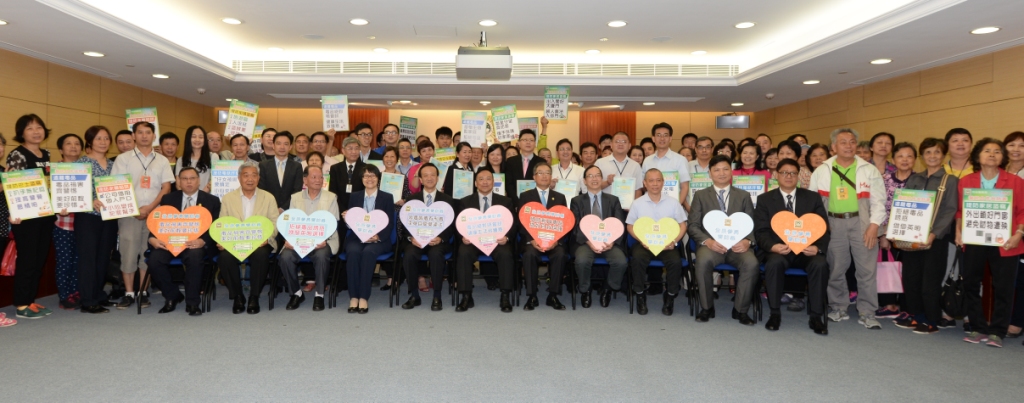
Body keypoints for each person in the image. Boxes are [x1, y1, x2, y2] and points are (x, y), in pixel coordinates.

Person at [808, 128, 886, 329]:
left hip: (862, 223)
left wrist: (874, 226)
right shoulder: (822, 170)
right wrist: (821, 228)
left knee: (866, 270)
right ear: (833, 147)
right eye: (843, 142)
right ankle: (838, 306)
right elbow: (813, 202)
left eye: (852, 142)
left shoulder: (868, 169)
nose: (849, 146)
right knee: (835, 267)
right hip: (833, 225)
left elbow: (879, 201)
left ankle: (868, 312)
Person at [956, 138, 1024, 347]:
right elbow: (960, 211)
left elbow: (1022, 212)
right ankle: (977, 327)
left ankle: (997, 331)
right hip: (974, 239)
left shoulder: (1015, 182)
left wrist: (1019, 234)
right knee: (971, 283)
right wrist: (958, 231)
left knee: (1003, 287)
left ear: (1002, 157)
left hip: (1006, 242)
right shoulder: (966, 181)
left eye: (997, 151)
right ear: (978, 156)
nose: (992, 154)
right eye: (987, 151)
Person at [889, 138, 958, 335]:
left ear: (943, 156)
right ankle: (916, 316)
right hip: (912, 236)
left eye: (937, 152)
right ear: (922, 156)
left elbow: (950, 210)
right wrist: (897, 231)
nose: (932, 156)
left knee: (930, 280)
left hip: (935, 239)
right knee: (911, 278)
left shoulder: (950, 180)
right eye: (928, 152)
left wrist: (934, 234)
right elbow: (903, 204)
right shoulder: (915, 178)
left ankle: (932, 319)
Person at [756, 158, 830, 334]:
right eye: (784, 173)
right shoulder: (765, 199)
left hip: (806, 250)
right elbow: (761, 231)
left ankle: (816, 317)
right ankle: (775, 313)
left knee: (820, 264)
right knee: (774, 263)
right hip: (778, 251)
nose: (788, 176)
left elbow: (823, 229)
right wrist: (772, 246)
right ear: (777, 175)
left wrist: (817, 248)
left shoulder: (812, 198)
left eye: (793, 173)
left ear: (798, 175)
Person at [110, 121, 174, 310]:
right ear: (134, 136)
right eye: (140, 132)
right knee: (128, 254)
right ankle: (129, 293)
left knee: (147, 255)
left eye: (148, 132)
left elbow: (166, 187)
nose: (144, 136)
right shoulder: (123, 159)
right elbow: (118, 186)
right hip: (129, 214)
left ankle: (143, 291)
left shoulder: (162, 160)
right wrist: (135, 209)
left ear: (154, 136)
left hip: (154, 215)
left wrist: (150, 207)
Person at [689, 155, 759, 324]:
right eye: (717, 170)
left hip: (737, 246)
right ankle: (707, 308)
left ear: (731, 172)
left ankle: (740, 310)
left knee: (751, 263)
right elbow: (693, 225)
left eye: (725, 169)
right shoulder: (700, 195)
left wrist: (747, 241)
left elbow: (752, 224)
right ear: (710, 174)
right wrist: (708, 241)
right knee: (703, 260)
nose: (721, 173)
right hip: (712, 246)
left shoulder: (743, 195)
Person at [146, 167, 221, 316]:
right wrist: (152, 238)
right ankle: (172, 296)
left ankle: (192, 302)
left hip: (195, 244)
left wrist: (203, 241)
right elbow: (158, 221)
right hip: (170, 242)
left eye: (192, 178)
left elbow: (216, 226)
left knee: (194, 257)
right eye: (184, 179)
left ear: (199, 181)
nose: (188, 182)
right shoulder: (168, 199)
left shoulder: (211, 200)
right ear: (178, 181)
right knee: (154, 260)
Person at [7, 114, 58, 319]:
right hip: (26, 217)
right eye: (30, 128)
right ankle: (21, 304)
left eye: (39, 127)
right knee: (27, 260)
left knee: (39, 260)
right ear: (21, 133)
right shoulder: (17, 155)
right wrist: (15, 213)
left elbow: (48, 183)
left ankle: (30, 301)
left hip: (45, 214)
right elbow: (13, 186)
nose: (36, 131)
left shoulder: (45, 153)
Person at [217, 161, 279, 314]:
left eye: (254, 175)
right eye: (246, 175)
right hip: (235, 242)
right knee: (224, 257)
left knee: (260, 255)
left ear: (258, 178)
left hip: (261, 241)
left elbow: (275, 222)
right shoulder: (228, 198)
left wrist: (267, 238)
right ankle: (237, 295)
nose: (250, 179)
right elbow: (222, 223)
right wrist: (222, 241)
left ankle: (254, 296)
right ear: (239, 178)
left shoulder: (268, 197)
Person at [277, 165, 339, 312]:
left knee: (322, 255)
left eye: (320, 177)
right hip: (299, 241)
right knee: (285, 257)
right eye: (314, 177)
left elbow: (332, 223)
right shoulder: (295, 197)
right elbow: (290, 222)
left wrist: (323, 240)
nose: (318, 180)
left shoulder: (331, 197)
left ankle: (320, 294)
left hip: (323, 240)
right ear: (305, 180)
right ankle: (296, 293)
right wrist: (289, 239)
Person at [626, 169, 687, 316]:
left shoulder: (673, 203)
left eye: (658, 180)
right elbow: (630, 225)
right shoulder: (637, 203)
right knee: (637, 260)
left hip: (667, 245)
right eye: (651, 180)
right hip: (644, 244)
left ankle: (670, 296)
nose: (655, 184)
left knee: (675, 262)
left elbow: (683, 224)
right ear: (645, 183)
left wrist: (674, 242)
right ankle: (640, 295)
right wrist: (642, 240)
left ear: (663, 182)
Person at [455, 169, 516, 312]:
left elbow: (513, 224)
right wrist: (463, 237)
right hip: (473, 241)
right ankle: (466, 296)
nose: (485, 182)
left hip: (497, 241)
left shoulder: (505, 201)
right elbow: (458, 225)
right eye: (481, 179)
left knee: (506, 253)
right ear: (476, 183)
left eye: (488, 179)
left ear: (493, 182)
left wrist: (506, 237)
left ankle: (505, 295)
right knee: (463, 252)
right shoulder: (465, 201)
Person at [400, 163, 457, 311]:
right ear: (420, 179)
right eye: (425, 175)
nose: (429, 178)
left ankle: (437, 295)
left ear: (438, 178)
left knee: (436, 254)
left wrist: (441, 238)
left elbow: (452, 225)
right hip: (417, 240)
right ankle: (414, 295)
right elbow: (404, 224)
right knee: (409, 254)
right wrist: (411, 238)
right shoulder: (412, 200)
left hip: (437, 241)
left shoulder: (447, 199)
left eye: (433, 175)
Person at [570, 165, 628, 308]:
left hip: (609, 242)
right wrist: (589, 242)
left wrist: (612, 242)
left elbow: (619, 224)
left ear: (601, 179)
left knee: (620, 262)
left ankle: (607, 289)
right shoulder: (576, 201)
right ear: (584, 180)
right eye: (590, 176)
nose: (594, 179)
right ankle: (585, 290)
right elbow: (575, 226)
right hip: (586, 242)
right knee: (582, 260)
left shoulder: (613, 200)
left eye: (597, 175)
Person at [342, 164, 395, 314]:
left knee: (368, 253)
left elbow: (389, 222)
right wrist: (347, 219)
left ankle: (364, 297)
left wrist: (377, 236)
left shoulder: (387, 197)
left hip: (379, 239)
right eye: (366, 176)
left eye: (373, 175)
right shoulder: (354, 196)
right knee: (352, 252)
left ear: (378, 178)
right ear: (362, 179)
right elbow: (351, 224)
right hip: (357, 237)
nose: (369, 179)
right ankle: (353, 296)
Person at [76, 126, 117, 314]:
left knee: (103, 258)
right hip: (88, 218)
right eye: (99, 138)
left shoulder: (112, 164)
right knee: (88, 259)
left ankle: (98, 294)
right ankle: (87, 299)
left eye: (106, 138)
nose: (103, 142)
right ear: (90, 141)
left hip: (109, 217)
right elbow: (74, 191)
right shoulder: (81, 163)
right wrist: (89, 200)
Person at [518, 162, 568, 310]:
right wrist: (531, 240)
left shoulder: (559, 197)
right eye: (541, 173)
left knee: (560, 254)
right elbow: (521, 222)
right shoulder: (525, 196)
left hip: (553, 241)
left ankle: (553, 295)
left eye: (547, 173)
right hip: (533, 241)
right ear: (534, 177)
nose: (545, 176)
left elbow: (564, 222)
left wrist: (556, 241)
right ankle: (532, 296)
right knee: (529, 255)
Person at [877, 142, 917, 318]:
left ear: (915, 160)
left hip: (913, 232)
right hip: (888, 232)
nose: (905, 160)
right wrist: (883, 234)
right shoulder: (883, 180)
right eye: (900, 156)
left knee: (910, 270)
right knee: (887, 267)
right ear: (893, 159)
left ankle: (908, 306)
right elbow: (877, 207)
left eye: (909, 156)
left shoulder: (920, 180)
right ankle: (889, 304)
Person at [53, 133, 84, 310]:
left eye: (77, 143)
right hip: (62, 224)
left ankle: (76, 292)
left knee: (78, 261)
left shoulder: (85, 169)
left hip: (82, 224)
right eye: (68, 143)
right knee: (65, 261)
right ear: (60, 149)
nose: (73, 146)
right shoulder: (54, 170)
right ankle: (64, 295)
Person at [1003, 132, 1024, 339]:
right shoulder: (998, 172)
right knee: (1007, 278)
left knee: (1022, 278)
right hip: (1000, 233)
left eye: (1022, 145)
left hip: (1022, 231)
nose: (1016, 149)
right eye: (1011, 144)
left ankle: (1017, 321)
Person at [642, 122, 692, 210]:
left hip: (673, 209)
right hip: (650, 208)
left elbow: (685, 187)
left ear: (670, 138)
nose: (662, 138)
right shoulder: (647, 160)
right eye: (658, 135)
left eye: (665, 135)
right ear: (653, 138)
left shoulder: (680, 160)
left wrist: (675, 207)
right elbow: (644, 185)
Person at [258, 131, 303, 213]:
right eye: (278, 143)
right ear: (273, 145)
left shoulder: (297, 166)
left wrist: (283, 208)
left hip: (290, 210)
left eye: (286, 144)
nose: (282, 147)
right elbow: (261, 189)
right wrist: (273, 208)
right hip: (268, 209)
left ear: (290, 147)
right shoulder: (263, 165)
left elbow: (297, 190)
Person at [595, 132, 644, 204]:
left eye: (624, 142)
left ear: (629, 145)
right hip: (606, 207)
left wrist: (634, 207)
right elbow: (593, 187)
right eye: (617, 141)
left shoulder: (635, 166)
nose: (620, 144)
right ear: (611, 145)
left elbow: (638, 190)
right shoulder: (600, 163)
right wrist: (607, 182)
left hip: (628, 208)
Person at [328, 137, 367, 218]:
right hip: (339, 211)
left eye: (356, 148)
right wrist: (343, 211)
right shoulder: (335, 168)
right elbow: (333, 191)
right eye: (350, 148)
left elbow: (366, 192)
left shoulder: (365, 168)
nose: (354, 152)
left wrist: (355, 211)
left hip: (360, 211)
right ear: (343, 151)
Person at [503, 129, 544, 204]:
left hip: (535, 203)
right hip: (514, 203)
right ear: (519, 143)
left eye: (531, 140)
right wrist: (516, 202)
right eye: (525, 140)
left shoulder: (541, 162)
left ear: (535, 143)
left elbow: (542, 184)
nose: (528, 142)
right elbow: (509, 184)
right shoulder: (511, 161)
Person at [176, 125, 218, 192]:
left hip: (206, 197)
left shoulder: (213, 157)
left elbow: (215, 179)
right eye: (194, 136)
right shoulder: (181, 160)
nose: (197, 140)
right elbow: (178, 184)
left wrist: (201, 195)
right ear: (188, 139)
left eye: (201, 137)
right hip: (187, 199)